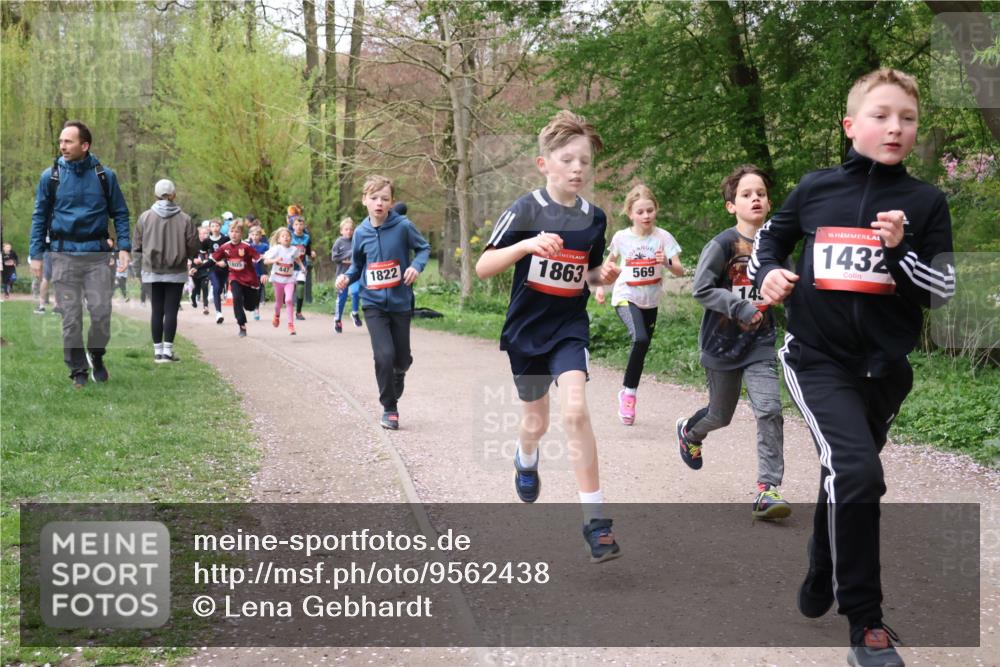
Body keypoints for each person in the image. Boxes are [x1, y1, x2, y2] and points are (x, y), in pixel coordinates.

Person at [750, 69, 955, 667]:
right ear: (850, 125)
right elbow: (769, 241)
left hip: (885, 372)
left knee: (843, 473)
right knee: (859, 474)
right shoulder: (815, 189)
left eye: (908, 118)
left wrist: (900, 252)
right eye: (881, 114)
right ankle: (865, 622)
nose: (895, 126)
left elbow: (939, 291)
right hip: (815, 359)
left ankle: (821, 568)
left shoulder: (924, 202)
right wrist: (767, 274)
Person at [474, 109, 622, 563]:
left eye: (584, 161)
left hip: (568, 328)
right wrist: (525, 244)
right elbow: (483, 267)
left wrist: (604, 276)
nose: (577, 168)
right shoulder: (525, 208)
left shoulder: (595, 218)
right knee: (534, 420)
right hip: (526, 331)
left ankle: (596, 523)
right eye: (567, 159)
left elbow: (587, 274)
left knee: (575, 411)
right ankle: (525, 457)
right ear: (545, 164)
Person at [675, 165, 789, 521]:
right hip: (721, 344)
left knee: (769, 409)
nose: (755, 198)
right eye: (746, 194)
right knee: (720, 415)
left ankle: (767, 490)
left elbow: (787, 286)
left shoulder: (776, 246)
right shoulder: (723, 244)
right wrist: (739, 306)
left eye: (760, 193)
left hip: (760, 343)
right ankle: (690, 432)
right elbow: (702, 289)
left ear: (769, 203)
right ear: (731, 205)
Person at [29, 120, 130, 388]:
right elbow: (39, 216)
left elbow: (120, 213)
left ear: (85, 146)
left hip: (97, 255)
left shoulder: (104, 176)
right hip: (63, 256)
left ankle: (96, 355)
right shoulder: (50, 177)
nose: (62, 146)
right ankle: (78, 372)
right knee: (70, 318)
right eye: (61, 141)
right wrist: (36, 254)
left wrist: (124, 248)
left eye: (68, 141)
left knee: (100, 313)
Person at [336, 175, 431, 430]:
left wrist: (415, 266)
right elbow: (357, 265)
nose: (379, 203)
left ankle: (399, 373)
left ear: (392, 202)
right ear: (364, 200)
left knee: (402, 359)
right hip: (373, 303)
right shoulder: (360, 233)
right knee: (383, 355)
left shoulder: (403, 227)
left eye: (385, 199)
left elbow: (423, 249)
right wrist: (346, 277)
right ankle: (389, 408)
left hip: (400, 302)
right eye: (374, 198)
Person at [594, 184, 683, 425]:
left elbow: (679, 268)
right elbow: (608, 263)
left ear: (656, 210)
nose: (646, 216)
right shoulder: (622, 237)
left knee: (642, 348)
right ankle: (630, 396)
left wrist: (665, 261)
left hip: (650, 301)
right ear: (630, 213)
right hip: (626, 296)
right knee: (640, 339)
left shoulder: (663, 238)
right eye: (640, 212)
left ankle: (626, 391)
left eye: (650, 210)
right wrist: (600, 286)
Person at [133, 179, 199, 363]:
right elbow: (193, 246)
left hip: (151, 271)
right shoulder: (185, 219)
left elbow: (136, 246)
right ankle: (168, 353)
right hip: (176, 271)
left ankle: (157, 352)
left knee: (157, 310)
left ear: (155, 195)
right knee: (171, 311)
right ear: (174, 195)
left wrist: (139, 266)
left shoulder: (144, 217)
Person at [212, 220, 261, 338]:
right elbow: (212, 260)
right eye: (232, 231)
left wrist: (263, 273)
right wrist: (198, 268)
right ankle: (241, 325)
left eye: (237, 232)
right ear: (228, 232)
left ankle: (251, 302)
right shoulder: (225, 247)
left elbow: (259, 260)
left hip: (249, 279)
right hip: (234, 277)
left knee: (250, 306)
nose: (234, 234)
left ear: (241, 234)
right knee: (236, 298)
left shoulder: (247, 246)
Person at [263, 227, 305, 334]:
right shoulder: (276, 249)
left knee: (289, 300)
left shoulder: (294, 249)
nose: (286, 238)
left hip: (289, 279)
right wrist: (275, 260)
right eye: (283, 236)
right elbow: (266, 261)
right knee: (278, 303)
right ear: (279, 239)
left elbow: (297, 258)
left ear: (291, 238)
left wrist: (301, 266)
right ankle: (277, 315)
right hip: (277, 279)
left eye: (288, 236)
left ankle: (291, 325)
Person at [331, 217, 362, 333]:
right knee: (342, 298)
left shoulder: (356, 241)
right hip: (342, 275)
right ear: (341, 231)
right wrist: (348, 254)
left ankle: (354, 313)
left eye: (351, 229)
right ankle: (338, 320)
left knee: (356, 291)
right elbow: (334, 257)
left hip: (355, 274)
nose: (349, 231)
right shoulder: (339, 242)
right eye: (346, 229)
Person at [199, 218, 229, 323]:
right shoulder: (206, 241)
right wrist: (204, 260)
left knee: (219, 288)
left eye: (217, 226)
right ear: (210, 228)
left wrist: (225, 261)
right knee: (216, 287)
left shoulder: (225, 239)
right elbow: (202, 253)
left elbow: (230, 252)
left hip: (224, 268)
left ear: (220, 227)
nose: (215, 228)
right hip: (212, 268)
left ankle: (216, 301)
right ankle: (218, 313)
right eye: (213, 226)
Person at [290, 216, 315, 320]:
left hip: (302, 266)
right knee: (291, 289)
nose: (299, 226)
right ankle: (289, 308)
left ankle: (298, 312)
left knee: (300, 287)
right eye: (296, 224)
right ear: (292, 226)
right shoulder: (289, 237)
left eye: (301, 224)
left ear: (304, 226)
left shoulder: (306, 237)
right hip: (290, 267)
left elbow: (308, 251)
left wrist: (312, 254)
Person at [248, 225, 269, 320]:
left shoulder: (265, 247)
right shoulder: (248, 246)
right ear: (250, 236)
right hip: (249, 272)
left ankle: (256, 309)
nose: (255, 236)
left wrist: (264, 257)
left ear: (260, 236)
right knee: (250, 290)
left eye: (257, 234)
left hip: (260, 272)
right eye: (253, 234)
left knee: (258, 290)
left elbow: (269, 257)